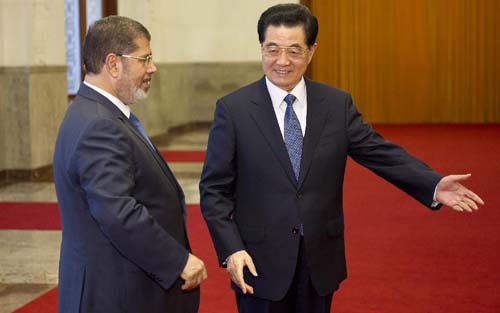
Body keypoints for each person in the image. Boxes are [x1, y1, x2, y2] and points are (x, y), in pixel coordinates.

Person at [199, 3, 484, 313]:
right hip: (257, 262)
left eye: (294, 51)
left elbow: (380, 152)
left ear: (311, 51)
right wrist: (231, 249)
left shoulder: (336, 105)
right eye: (272, 50)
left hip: (320, 260)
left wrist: (432, 184)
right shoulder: (234, 109)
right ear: (261, 49)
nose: (282, 61)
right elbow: (214, 191)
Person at [53, 16, 207, 313]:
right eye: (144, 59)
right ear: (113, 64)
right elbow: (116, 212)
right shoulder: (100, 124)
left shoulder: (95, 112)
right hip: (116, 291)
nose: (152, 68)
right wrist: (177, 260)